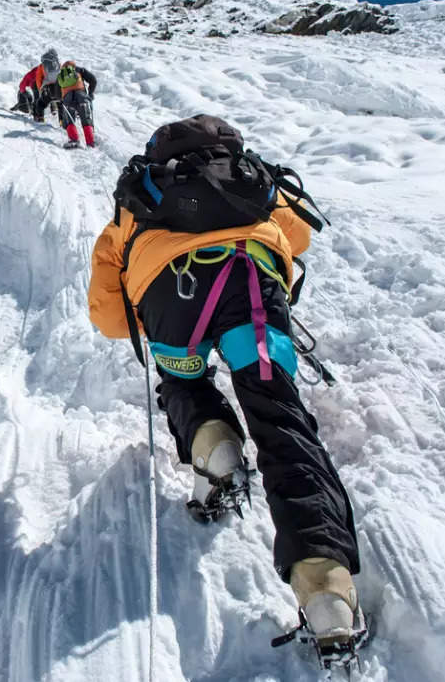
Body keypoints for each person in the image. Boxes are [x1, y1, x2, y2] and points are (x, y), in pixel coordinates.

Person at [87, 115, 362, 661]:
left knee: (185, 386)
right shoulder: (248, 172)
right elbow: (299, 234)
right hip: (250, 286)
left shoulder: (140, 191)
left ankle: (215, 451)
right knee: (279, 414)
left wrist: (151, 316)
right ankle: (326, 590)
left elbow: (110, 311)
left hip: (171, 300)